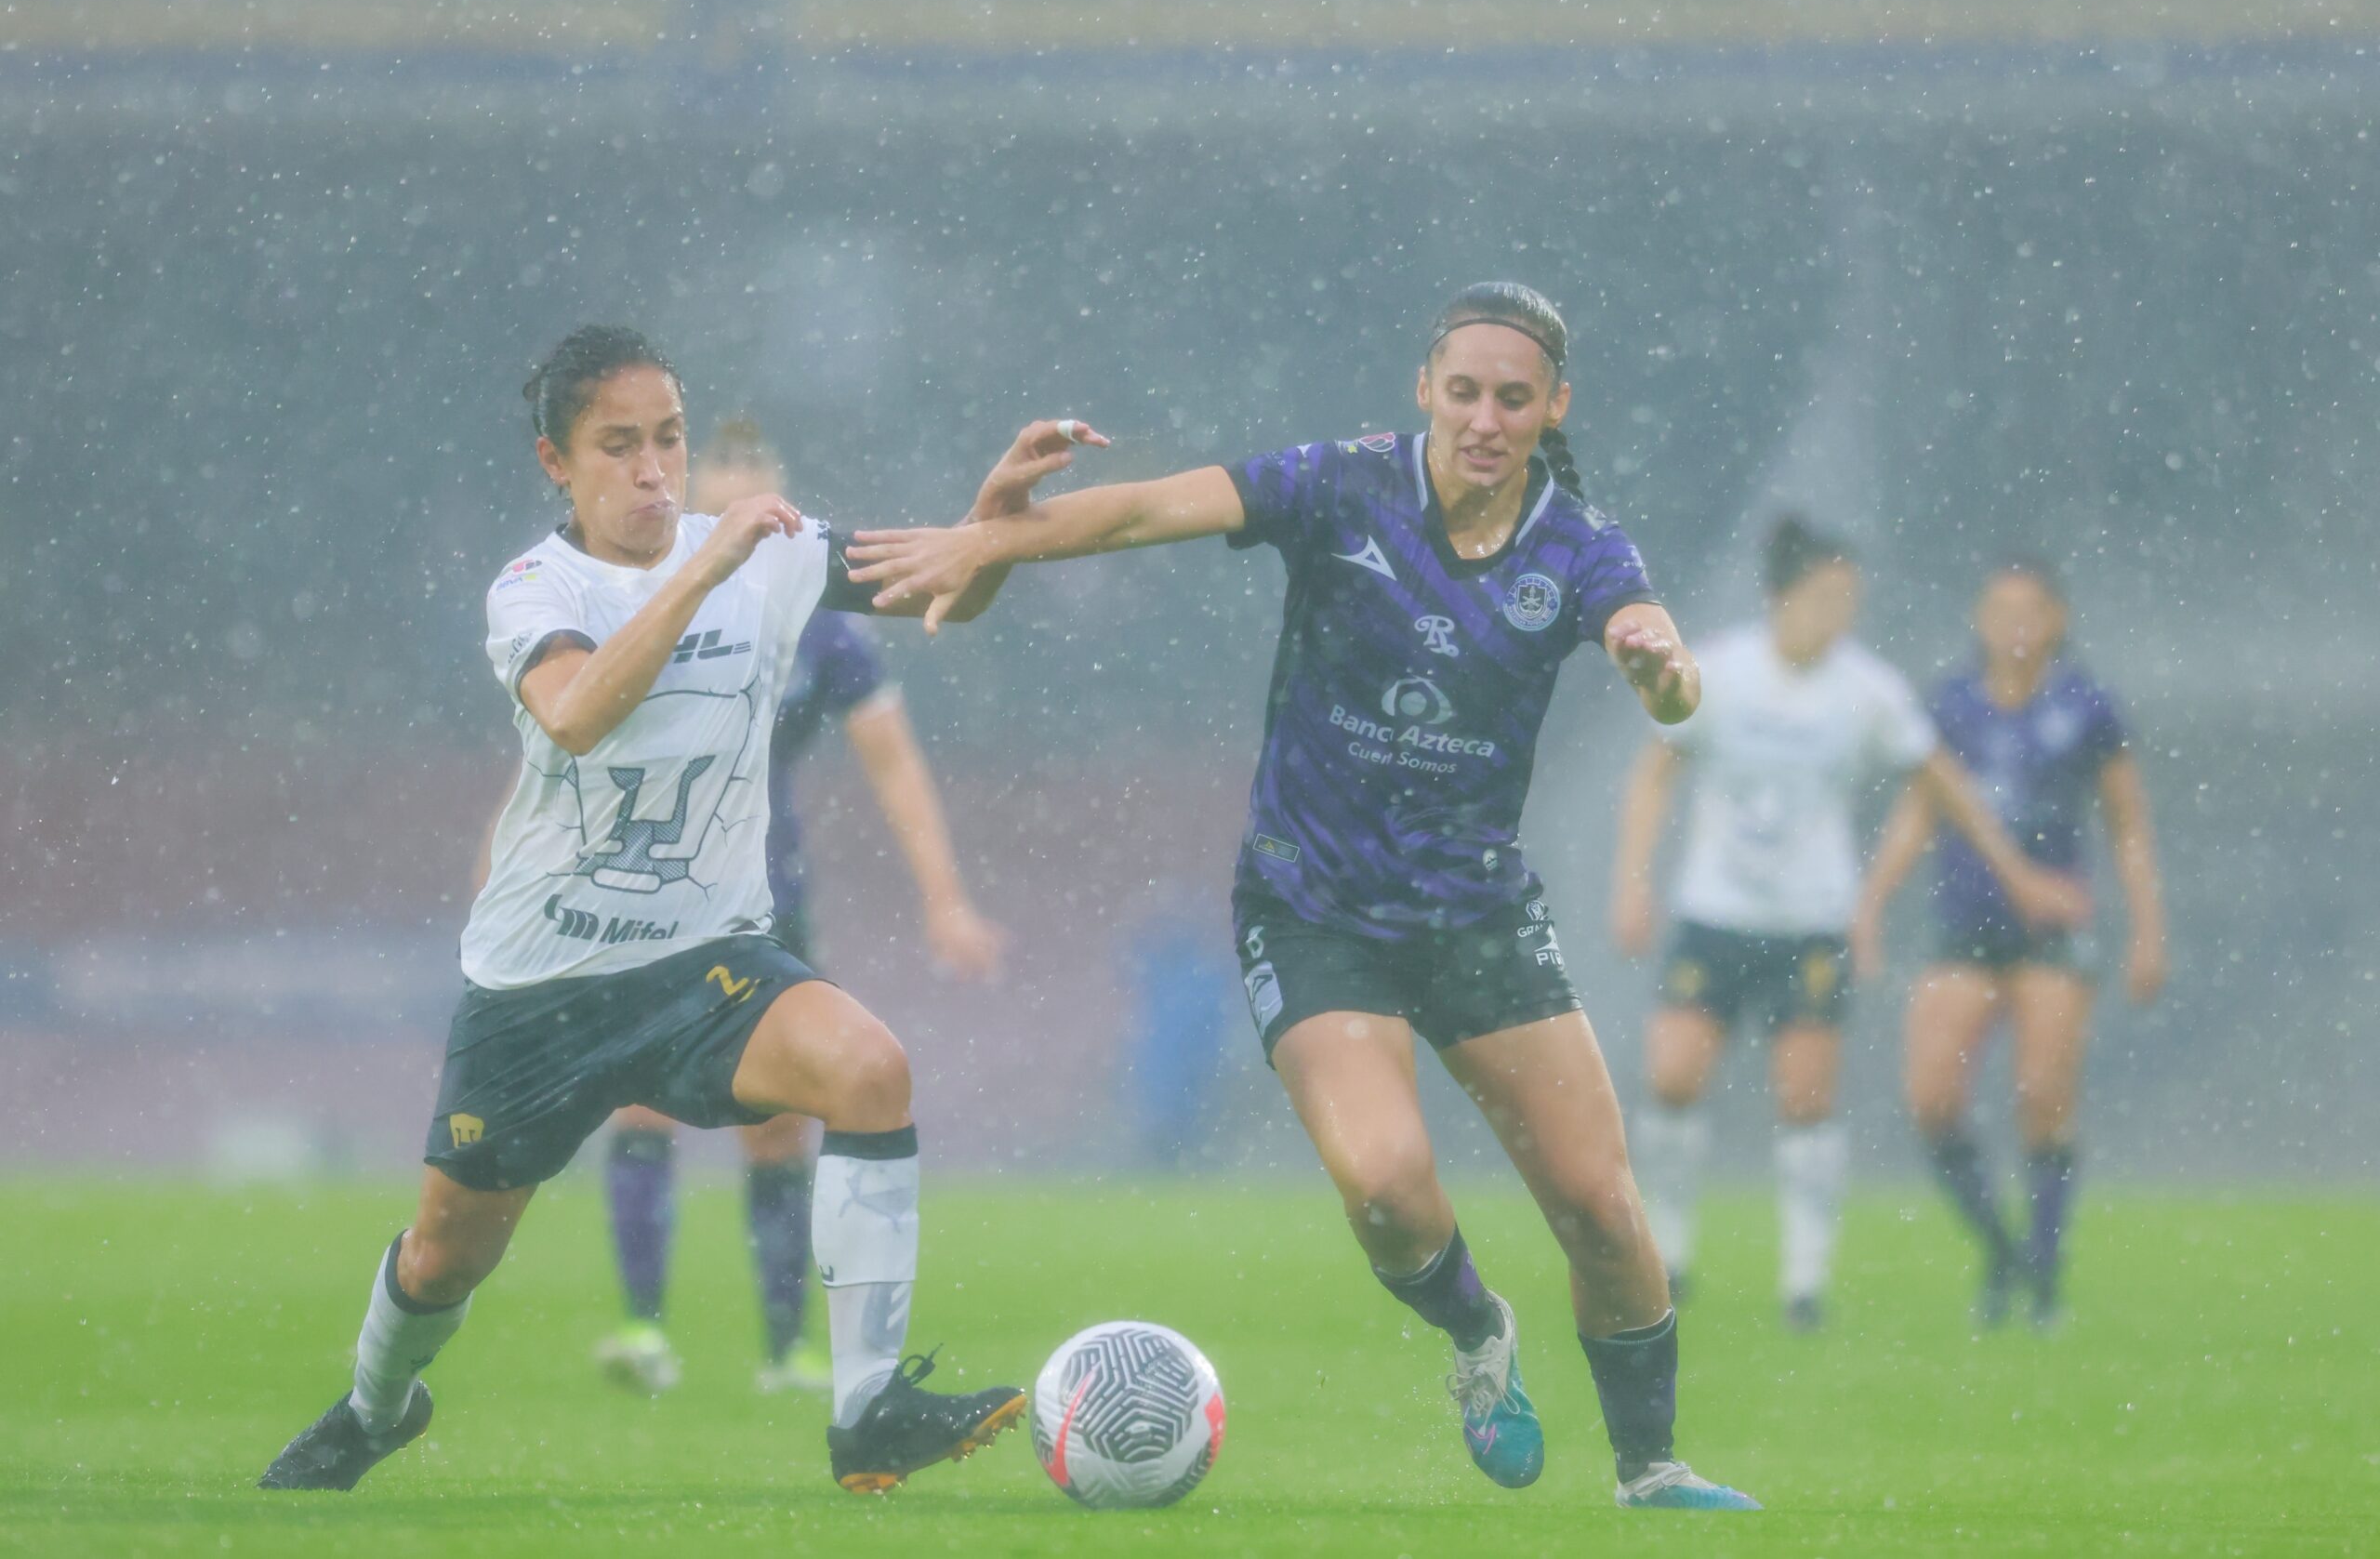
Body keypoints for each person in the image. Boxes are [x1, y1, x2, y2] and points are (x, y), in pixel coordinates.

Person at [851, 283, 1760, 1511]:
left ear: (1554, 407)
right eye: (1463, 391)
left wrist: (1664, 674)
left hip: (1478, 916)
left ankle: (1653, 1473)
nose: (1485, 418)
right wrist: (990, 538)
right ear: (1424, 389)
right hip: (1314, 911)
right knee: (1387, 1189)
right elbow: (1149, 510)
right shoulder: (1343, 486)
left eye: (1512, 397)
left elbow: (1665, 665)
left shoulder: (1581, 547)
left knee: (1601, 1208)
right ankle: (1478, 1333)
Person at [260, 325, 1036, 1496]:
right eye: (616, 445)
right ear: (554, 463)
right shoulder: (536, 587)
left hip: (701, 965)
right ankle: (372, 1410)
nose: (652, 469)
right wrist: (703, 566)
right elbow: (574, 714)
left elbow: (950, 594)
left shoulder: (763, 553)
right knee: (443, 1255)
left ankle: (867, 1411)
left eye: (666, 437)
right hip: (541, 984)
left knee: (872, 1071)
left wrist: (990, 524)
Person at [594, 419, 1007, 1396]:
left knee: (776, 1121)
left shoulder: (820, 624)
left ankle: (786, 1349)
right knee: (641, 1096)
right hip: (652, 892)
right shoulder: (641, 596)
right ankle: (641, 1330)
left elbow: (893, 759)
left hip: (766, 893)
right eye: (728, 492)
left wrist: (945, 899)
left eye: (765, 494)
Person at [1609, 520, 2090, 1332]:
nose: (1840, 613)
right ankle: (1673, 1255)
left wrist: (2016, 876)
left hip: (1809, 923)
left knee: (1805, 1099)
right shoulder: (1719, 672)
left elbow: (1943, 783)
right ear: (1780, 598)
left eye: (1849, 599)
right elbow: (1657, 770)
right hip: (1715, 913)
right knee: (1673, 1078)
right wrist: (1631, 881)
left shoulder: (1866, 688)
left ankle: (1803, 1285)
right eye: (1827, 596)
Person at [1853, 557, 2167, 1327]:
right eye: (2000, 608)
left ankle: (2046, 1279)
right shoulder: (1953, 704)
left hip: (2053, 929)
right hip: (1965, 922)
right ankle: (2003, 1251)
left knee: (2043, 1097)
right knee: (1930, 1097)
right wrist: (1871, 902)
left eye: (2031, 609)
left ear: (2057, 619)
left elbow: (2127, 827)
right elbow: (1921, 810)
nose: (2015, 624)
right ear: (1980, 619)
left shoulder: (2086, 705)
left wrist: (2147, 931)